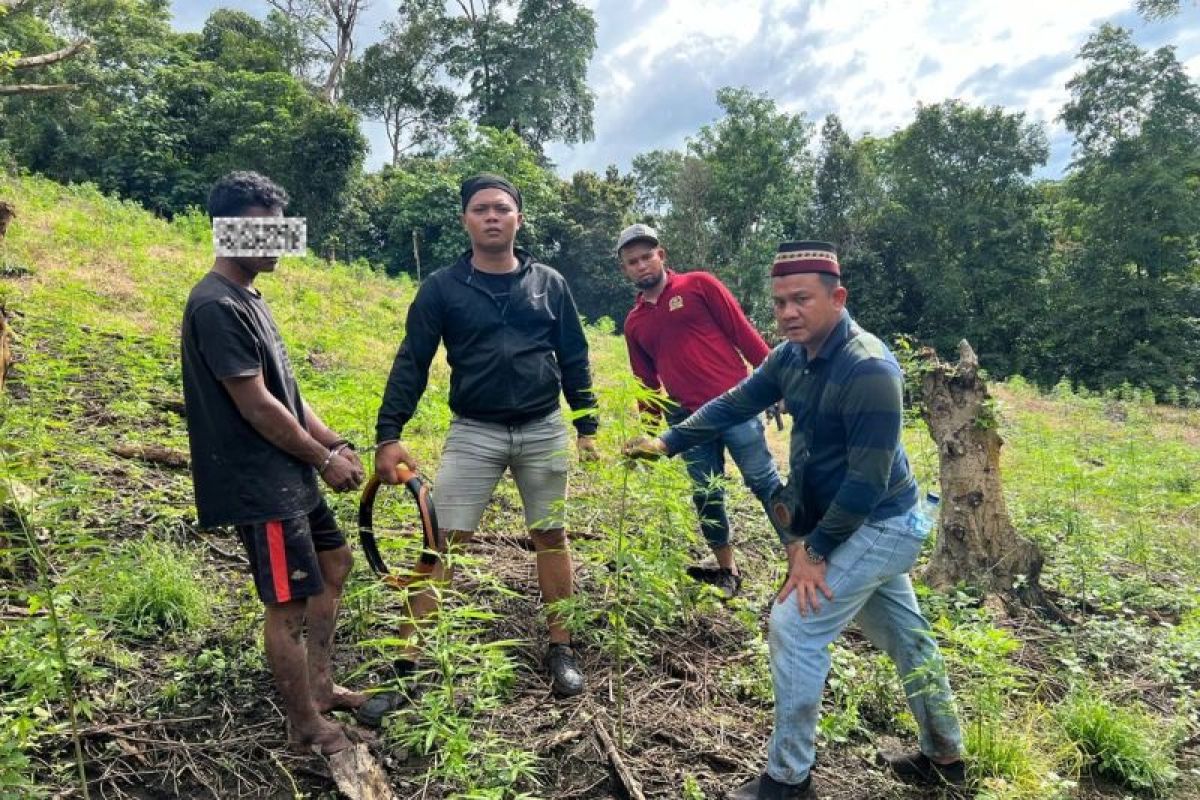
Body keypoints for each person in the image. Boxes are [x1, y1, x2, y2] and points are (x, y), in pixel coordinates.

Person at [625, 241, 965, 799]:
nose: (787, 313)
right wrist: (667, 440)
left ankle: (788, 781)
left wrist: (813, 552)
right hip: (854, 520)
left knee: (794, 627)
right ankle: (946, 756)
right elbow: (735, 400)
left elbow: (868, 480)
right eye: (780, 301)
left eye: (801, 299)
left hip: (880, 523)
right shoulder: (790, 355)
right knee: (907, 638)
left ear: (837, 297)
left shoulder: (869, 367)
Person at [366, 173, 599, 722]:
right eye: (480, 209)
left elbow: (575, 355)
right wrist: (389, 433)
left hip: (542, 427)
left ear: (518, 218)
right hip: (475, 430)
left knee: (551, 535)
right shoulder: (443, 289)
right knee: (442, 539)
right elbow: (412, 361)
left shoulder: (549, 283)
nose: (492, 217)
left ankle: (561, 646)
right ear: (466, 221)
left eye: (501, 208)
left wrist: (587, 426)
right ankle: (409, 661)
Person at [180, 171, 367, 756]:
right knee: (285, 603)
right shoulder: (214, 305)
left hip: (291, 477)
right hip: (260, 483)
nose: (276, 242)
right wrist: (321, 458)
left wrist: (333, 443)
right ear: (226, 231)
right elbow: (256, 405)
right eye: (262, 231)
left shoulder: (250, 298)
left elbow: (287, 392)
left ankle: (321, 686)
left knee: (335, 565)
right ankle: (304, 726)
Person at [617, 223, 781, 597]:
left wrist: (777, 378)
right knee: (706, 494)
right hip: (686, 419)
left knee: (763, 481)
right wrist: (649, 432)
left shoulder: (699, 285)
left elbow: (741, 331)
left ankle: (800, 559)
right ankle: (728, 570)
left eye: (647, 256)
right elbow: (645, 382)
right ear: (625, 270)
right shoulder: (634, 323)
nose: (642, 265)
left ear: (662, 255)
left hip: (736, 403)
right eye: (632, 262)